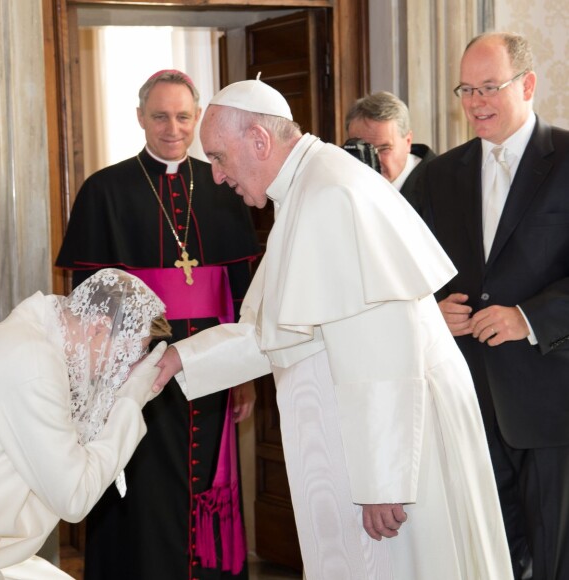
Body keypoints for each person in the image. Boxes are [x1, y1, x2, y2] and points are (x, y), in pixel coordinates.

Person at [152, 78, 514, 580]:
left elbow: (386, 342)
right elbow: (276, 332)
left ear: (259, 140)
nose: (215, 176)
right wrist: (180, 359)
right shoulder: (309, 186)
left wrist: (382, 481)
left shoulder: (331, 193)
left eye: (218, 157)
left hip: (400, 454)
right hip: (375, 441)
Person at [55, 69, 261, 580]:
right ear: (141, 117)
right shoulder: (104, 190)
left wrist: (245, 375)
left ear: (197, 118)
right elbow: (87, 304)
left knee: (203, 484)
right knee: (142, 489)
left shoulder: (223, 185)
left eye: (184, 116)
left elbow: (242, 291)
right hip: (135, 365)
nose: (173, 128)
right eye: (161, 116)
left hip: (212, 362)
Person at [418, 31, 569, 580]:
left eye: (490, 88)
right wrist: (430, 310)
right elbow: (405, 273)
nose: (476, 102)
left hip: (552, 404)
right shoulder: (436, 175)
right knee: (484, 558)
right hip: (466, 401)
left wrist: (527, 317)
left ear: (528, 85)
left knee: (555, 559)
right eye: (466, 89)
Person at [0, 268, 170, 580]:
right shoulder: (34, 364)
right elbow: (74, 497)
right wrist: (130, 403)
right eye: (133, 352)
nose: (126, 369)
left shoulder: (36, 337)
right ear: (99, 328)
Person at [345, 91, 435, 209]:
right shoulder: (343, 182)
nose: (373, 160)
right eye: (364, 150)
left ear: (408, 142)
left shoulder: (440, 186)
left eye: (384, 149)